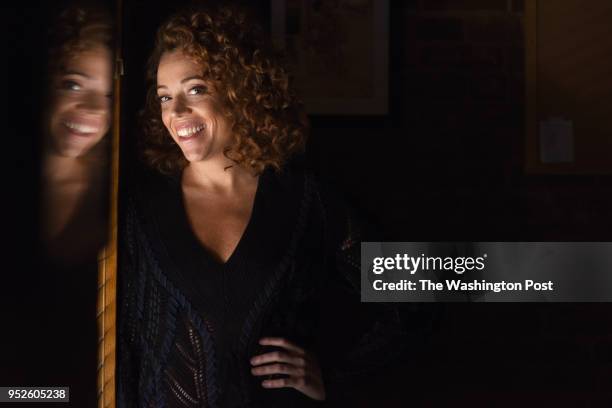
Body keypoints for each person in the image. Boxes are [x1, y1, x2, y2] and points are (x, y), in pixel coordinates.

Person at [117, 5, 407, 407]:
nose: (176, 113)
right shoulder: (138, 209)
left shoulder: (305, 200)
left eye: (196, 89)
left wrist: (329, 372)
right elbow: (124, 351)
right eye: (165, 97)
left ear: (240, 89)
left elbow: (411, 293)